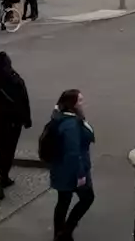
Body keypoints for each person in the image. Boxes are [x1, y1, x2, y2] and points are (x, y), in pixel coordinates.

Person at [49, 89, 96, 241]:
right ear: (72, 104)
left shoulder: (61, 117)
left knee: (63, 200)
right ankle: (66, 231)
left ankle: (59, 232)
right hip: (71, 171)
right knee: (87, 198)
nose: (83, 103)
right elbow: (73, 153)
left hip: (60, 168)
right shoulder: (71, 125)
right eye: (80, 101)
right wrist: (81, 174)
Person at [0, 52, 31, 199]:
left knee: (3, 147)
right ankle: (1, 179)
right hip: (12, 121)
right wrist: (27, 119)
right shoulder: (15, 80)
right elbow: (24, 101)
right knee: (8, 150)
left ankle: (4, 178)